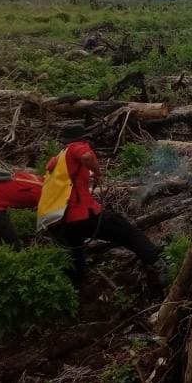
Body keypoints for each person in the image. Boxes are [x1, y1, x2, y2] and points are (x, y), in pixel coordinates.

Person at [38, 123, 168, 287]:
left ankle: (77, 293)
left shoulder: (59, 159)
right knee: (126, 230)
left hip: (56, 222)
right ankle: (158, 263)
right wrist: (98, 173)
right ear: (83, 139)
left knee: (76, 263)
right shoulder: (75, 147)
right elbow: (86, 156)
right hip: (80, 214)